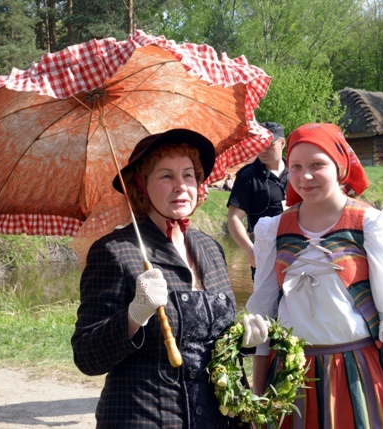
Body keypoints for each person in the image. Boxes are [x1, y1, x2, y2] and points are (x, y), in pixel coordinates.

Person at [71, 129, 269, 429]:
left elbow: (210, 337)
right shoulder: (115, 252)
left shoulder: (210, 248)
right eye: (166, 176)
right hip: (144, 417)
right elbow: (87, 355)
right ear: (141, 186)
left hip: (216, 418)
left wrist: (242, 340)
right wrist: (134, 315)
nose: (180, 186)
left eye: (188, 175)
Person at [246, 123, 383, 429]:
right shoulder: (272, 230)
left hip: (357, 373)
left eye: (318, 165)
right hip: (289, 377)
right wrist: (258, 390)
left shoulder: (371, 225)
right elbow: (263, 316)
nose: (305, 176)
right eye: (296, 166)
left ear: (340, 165)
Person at [226, 121, 288, 277]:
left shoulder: (297, 171)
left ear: (282, 143)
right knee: (268, 301)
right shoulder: (247, 176)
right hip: (264, 254)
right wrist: (249, 250)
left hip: (297, 251)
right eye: (260, 144)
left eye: (269, 145)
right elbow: (234, 218)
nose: (263, 150)